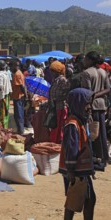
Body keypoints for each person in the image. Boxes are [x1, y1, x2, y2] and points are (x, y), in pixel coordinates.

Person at [59, 88, 95, 220]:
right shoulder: (72, 125)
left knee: (77, 200)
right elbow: (71, 150)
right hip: (77, 170)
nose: (89, 107)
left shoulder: (80, 122)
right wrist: (71, 170)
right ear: (78, 103)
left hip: (80, 169)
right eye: (87, 104)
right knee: (83, 200)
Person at [80, 51, 110, 168]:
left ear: (90, 60)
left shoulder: (86, 73)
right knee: (101, 132)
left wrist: (93, 96)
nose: (84, 61)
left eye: (86, 59)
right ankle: (104, 157)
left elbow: (86, 92)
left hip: (91, 106)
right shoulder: (103, 72)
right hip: (102, 105)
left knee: (93, 133)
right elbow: (108, 89)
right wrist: (98, 95)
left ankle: (96, 158)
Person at [49, 61, 70, 144]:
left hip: (60, 107)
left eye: (52, 71)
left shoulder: (62, 80)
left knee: (59, 126)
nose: (51, 73)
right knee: (55, 126)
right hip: (54, 107)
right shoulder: (55, 80)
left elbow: (66, 93)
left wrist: (56, 99)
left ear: (56, 71)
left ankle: (59, 142)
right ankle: (55, 141)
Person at [10, 60, 26, 135]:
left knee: (18, 114)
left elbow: (21, 86)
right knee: (19, 114)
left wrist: (25, 95)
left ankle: (20, 131)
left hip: (18, 97)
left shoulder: (17, 74)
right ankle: (20, 129)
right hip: (18, 96)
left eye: (11, 66)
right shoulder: (19, 73)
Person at [0, 60, 12, 128]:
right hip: (7, 95)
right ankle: (5, 126)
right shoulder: (6, 74)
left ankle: (2, 128)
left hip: (2, 96)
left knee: (2, 113)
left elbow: (0, 86)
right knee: (6, 113)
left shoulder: (0, 74)